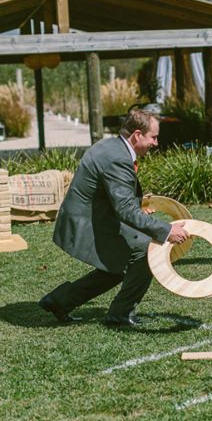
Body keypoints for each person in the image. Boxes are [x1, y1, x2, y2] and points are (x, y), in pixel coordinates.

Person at [39, 110, 190, 326]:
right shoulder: (118, 158)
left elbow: (116, 197)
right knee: (146, 249)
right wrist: (167, 230)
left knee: (117, 263)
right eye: (153, 137)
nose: (156, 143)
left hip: (93, 215)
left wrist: (139, 207)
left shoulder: (113, 146)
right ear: (137, 135)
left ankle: (60, 301)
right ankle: (121, 312)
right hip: (87, 222)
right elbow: (126, 210)